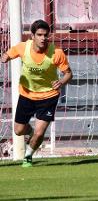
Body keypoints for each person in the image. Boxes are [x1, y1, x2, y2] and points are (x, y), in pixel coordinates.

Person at [1, 20, 73, 167]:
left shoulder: (56, 53)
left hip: (48, 96)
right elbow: (8, 54)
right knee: (19, 131)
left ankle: (28, 155)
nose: (43, 38)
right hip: (27, 95)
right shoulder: (23, 47)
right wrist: (5, 57)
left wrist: (61, 82)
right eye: (39, 35)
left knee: (39, 133)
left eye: (45, 35)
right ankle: (31, 131)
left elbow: (69, 74)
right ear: (32, 35)